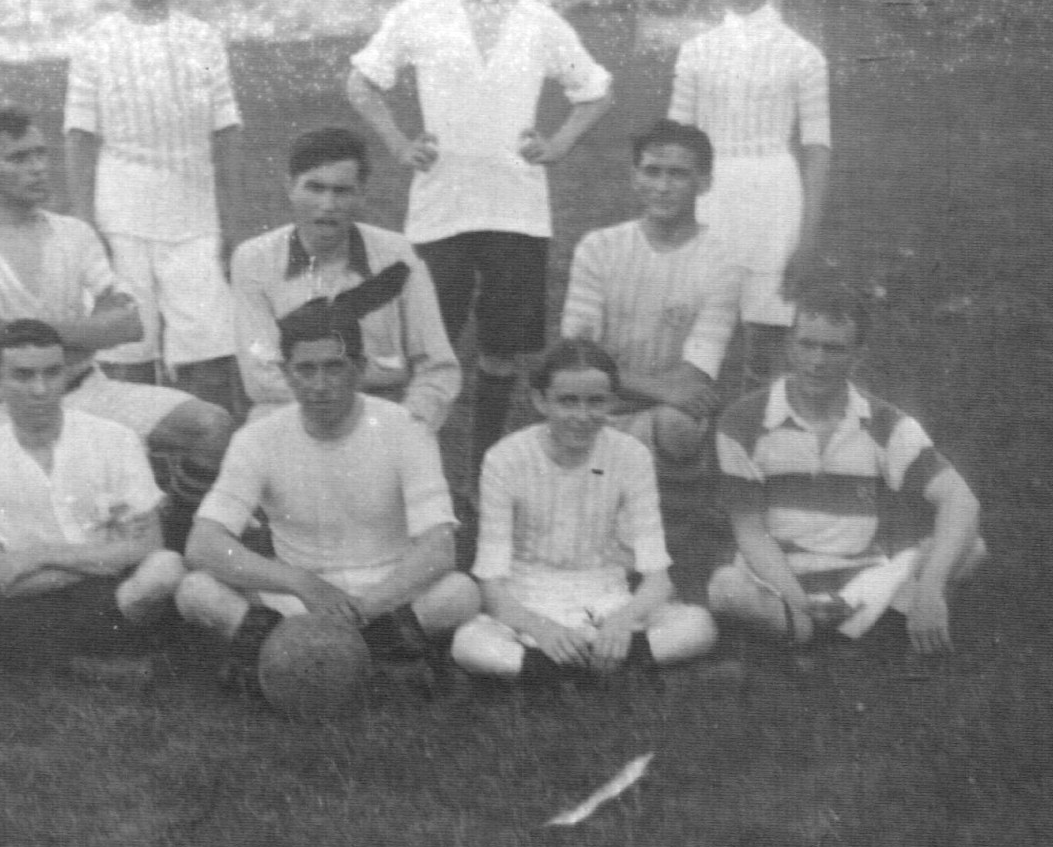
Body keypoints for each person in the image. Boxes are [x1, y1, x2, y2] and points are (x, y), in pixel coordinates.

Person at [346, 0, 614, 475]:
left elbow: (594, 91)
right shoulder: (420, 11)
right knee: (431, 345)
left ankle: (483, 465)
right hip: (442, 205)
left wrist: (558, 143)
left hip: (517, 206)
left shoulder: (540, 21)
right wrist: (398, 143)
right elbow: (362, 82)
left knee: (499, 350)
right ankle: (417, 464)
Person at [0, 105, 234, 551]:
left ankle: (178, 530)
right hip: (15, 413)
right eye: (18, 159)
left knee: (214, 425)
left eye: (40, 154)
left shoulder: (74, 234)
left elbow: (131, 324)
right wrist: (88, 331)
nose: (37, 168)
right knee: (58, 526)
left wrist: (22, 332)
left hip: (91, 391)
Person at [175, 266, 481, 694]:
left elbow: (439, 548)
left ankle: (288, 660)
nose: (320, 385)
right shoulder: (258, 437)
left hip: (385, 596)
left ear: (359, 368)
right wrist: (300, 583)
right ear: (286, 372)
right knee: (196, 591)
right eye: (307, 369)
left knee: (459, 593)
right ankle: (377, 664)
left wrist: (365, 606)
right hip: (297, 597)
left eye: (334, 367)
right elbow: (202, 545)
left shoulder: (405, 428)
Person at [706, 283, 987, 656]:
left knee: (972, 548)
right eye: (807, 344)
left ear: (858, 355)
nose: (817, 361)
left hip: (863, 576)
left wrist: (931, 586)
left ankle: (823, 630)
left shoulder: (884, 422)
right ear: (790, 344)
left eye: (833, 348)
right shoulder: (742, 421)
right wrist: (796, 598)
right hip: (778, 577)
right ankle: (835, 629)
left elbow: (960, 498)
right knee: (726, 587)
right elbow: (751, 531)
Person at [451, 340, 717, 682]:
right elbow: (491, 583)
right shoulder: (505, 459)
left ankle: (552, 671)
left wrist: (622, 623)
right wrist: (541, 629)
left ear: (611, 402)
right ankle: (613, 667)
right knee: (469, 642)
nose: (582, 416)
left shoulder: (631, 456)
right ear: (540, 401)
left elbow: (657, 578)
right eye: (567, 401)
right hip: (528, 602)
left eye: (596, 402)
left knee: (698, 625)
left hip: (608, 601)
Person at [62, 0, 246, 412]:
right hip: (120, 215)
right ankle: (139, 474)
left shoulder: (202, 39)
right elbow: (79, 136)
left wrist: (230, 221)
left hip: (194, 214)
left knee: (209, 350)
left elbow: (225, 131)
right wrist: (85, 223)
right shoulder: (94, 41)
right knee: (126, 353)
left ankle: (201, 472)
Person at [0, 320, 188, 668]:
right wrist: (107, 556)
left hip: (105, 593)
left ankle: (55, 657)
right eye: (23, 376)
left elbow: (148, 545)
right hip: (34, 602)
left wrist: (38, 557)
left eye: (52, 373)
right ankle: (95, 659)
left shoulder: (114, 439)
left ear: (67, 375)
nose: (41, 389)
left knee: (165, 568)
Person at [669, 0, 831, 388]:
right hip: (709, 196)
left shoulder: (803, 55)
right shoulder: (696, 52)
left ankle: (749, 449)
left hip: (773, 197)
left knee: (765, 339)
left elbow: (818, 148)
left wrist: (808, 238)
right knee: (699, 335)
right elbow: (677, 141)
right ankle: (695, 447)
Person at [232, 126, 458, 429]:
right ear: (290, 187)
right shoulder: (253, 259)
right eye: (315, 188)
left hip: (387, 416)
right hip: (291, 414)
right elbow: (262, 378)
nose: (328, 205)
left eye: (341, 191)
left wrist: (408, 425)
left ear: (361, 193)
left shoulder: (397, 255)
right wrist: (342, 417)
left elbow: (438, 367)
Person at [560, 120, 742, 471]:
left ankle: (675, 517)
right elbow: (577, 359)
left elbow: (693, 383)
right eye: (652, 172)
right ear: (635, 177)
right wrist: (659, 389)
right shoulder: (598, 248)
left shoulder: (722, 263)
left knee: (681, 423)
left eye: (677, 174)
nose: (662, 187)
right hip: (591, 409)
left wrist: (649, 393)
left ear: (704, 182)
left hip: (659, 415)